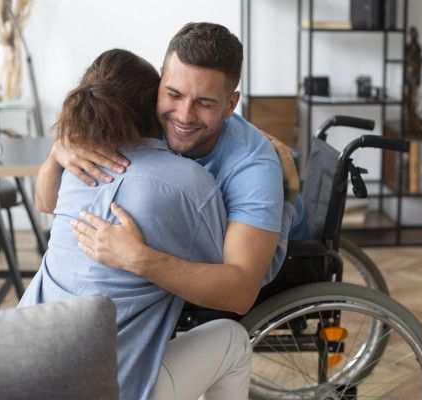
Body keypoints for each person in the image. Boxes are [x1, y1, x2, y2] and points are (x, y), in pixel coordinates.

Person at [20, 49, 252, 400]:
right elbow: (222, 284)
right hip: (107, 388)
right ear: (153, 105)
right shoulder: (189, 184)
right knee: (233, 340)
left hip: (20, 369)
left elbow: (44, 203)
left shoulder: (73, 166)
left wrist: (57, 151)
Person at [35, 22, 308, 315]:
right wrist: (59, 151)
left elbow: (241, 292)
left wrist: (137, 259)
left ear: (231, 105)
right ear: (159, 82)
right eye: (174, 95)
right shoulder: (140, 119)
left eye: (204, 103)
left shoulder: (254, 169)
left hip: (264, 255)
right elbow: (46, 203)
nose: (184, 116)